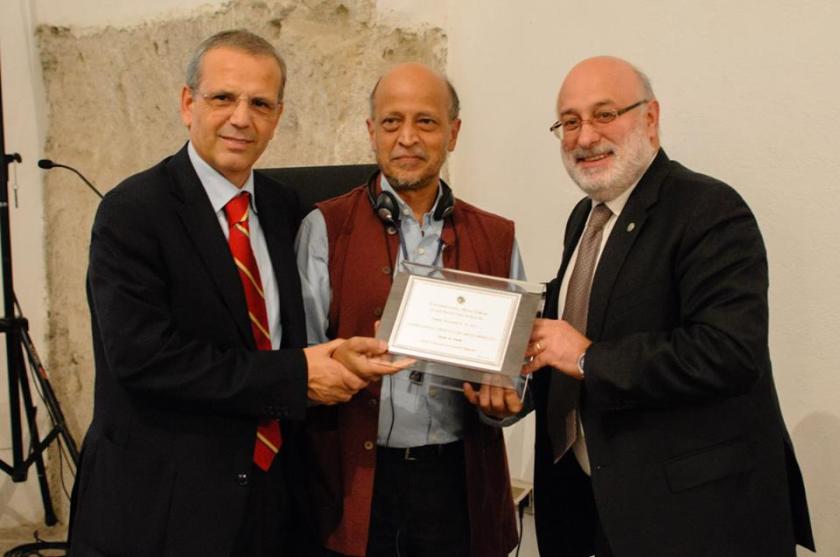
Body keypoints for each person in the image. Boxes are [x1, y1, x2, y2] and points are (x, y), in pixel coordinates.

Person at [68, 29, 405, 556]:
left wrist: (337, 354)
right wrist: (298, 376)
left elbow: (287, 334)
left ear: (277, 115)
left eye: (260, 103)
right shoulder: (132, 212)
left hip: (272, 497)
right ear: (187, 103)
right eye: (223, 97)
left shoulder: (285, 209)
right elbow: (145, 359)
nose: (241, 118)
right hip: (167, 505)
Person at [522, 55, 815, 557]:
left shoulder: (708, 209)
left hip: (691, 521)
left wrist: (590, 358)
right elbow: (575, 323)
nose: (584, 136)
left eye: (604, 114)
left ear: (650, 119)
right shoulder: (585, 217)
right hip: (592, 508)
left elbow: (728, 351)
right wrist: (514, 379)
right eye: (569, 122)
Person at [295, 62, 524, 557]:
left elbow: (514, 369)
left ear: (453, 133)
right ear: (371, 131)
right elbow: (299, 363)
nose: (407, 138)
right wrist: (338, 368)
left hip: (457, 485)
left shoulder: (498, 236)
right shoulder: (324, 227)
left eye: (426, 121)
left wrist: (503, 403)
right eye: (392, 121)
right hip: (354, 485)